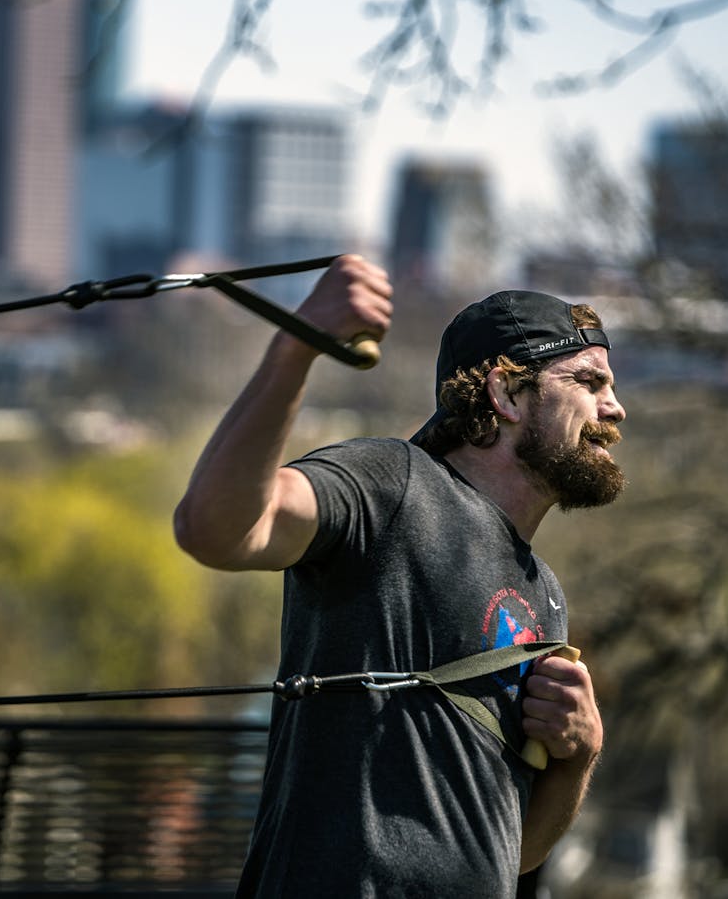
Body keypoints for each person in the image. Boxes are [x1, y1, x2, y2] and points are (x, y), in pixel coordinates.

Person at [173, 255, 617, 897]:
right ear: (508, 394)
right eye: (589, 381)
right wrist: (298, 346)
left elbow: (514, 853)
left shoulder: (544, 594)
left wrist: (580, 755)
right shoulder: (393, 485)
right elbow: (216, 528)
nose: (616, 408)